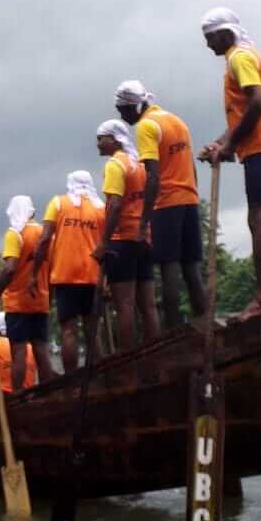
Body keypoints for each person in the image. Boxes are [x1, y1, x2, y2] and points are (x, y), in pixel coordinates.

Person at [198, 7, 261, 319]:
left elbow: (258, 103)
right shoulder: (241, 57)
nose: (208, 45)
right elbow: (243, 112)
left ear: (225, 33)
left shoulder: (239, 58)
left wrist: (233, 144)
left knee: (259, 220)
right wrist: (222, 143)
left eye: (210, 38)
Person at [114, 79, 207, 328]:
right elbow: (190, 166)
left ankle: (174, 334)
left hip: (166, 204)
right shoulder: (176, 121)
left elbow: (153, 176)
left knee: (169, 270)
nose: (122, 117)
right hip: (189, 199)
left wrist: (144, 222)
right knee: (192, 270)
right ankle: (205, 324)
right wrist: (193, 194)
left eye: (122, 111)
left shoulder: (146, 126)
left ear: (133, 106)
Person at [96, 120, 161, 349]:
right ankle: (155, 353)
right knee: (148, 305)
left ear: (113, 140)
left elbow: (114, 204)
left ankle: (129, 359)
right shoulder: (140, 164)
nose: (97, 143)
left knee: (124, 305)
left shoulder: (116, 165)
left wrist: (103, 243)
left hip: (121, 240)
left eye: (100, 137)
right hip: (143, 237)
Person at [29, 171, 103, 372]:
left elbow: (44, 239)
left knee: (68, 330)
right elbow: (107, 244)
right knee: (92, 330)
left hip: (65, 275)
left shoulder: (58, 203)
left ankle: (70, 380)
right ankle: (99, 375)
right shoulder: (100, 208)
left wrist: (35, 273)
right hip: (93, 275)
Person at [0, 195, 54, 389]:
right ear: (32, 212)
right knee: (41, 350)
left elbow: (10, 268)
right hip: (41, 300)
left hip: (17, 301)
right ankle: (49, 391)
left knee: (19, 351)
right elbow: (52, 268)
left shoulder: (15, 233)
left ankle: (17, 396)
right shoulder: (45, 233)